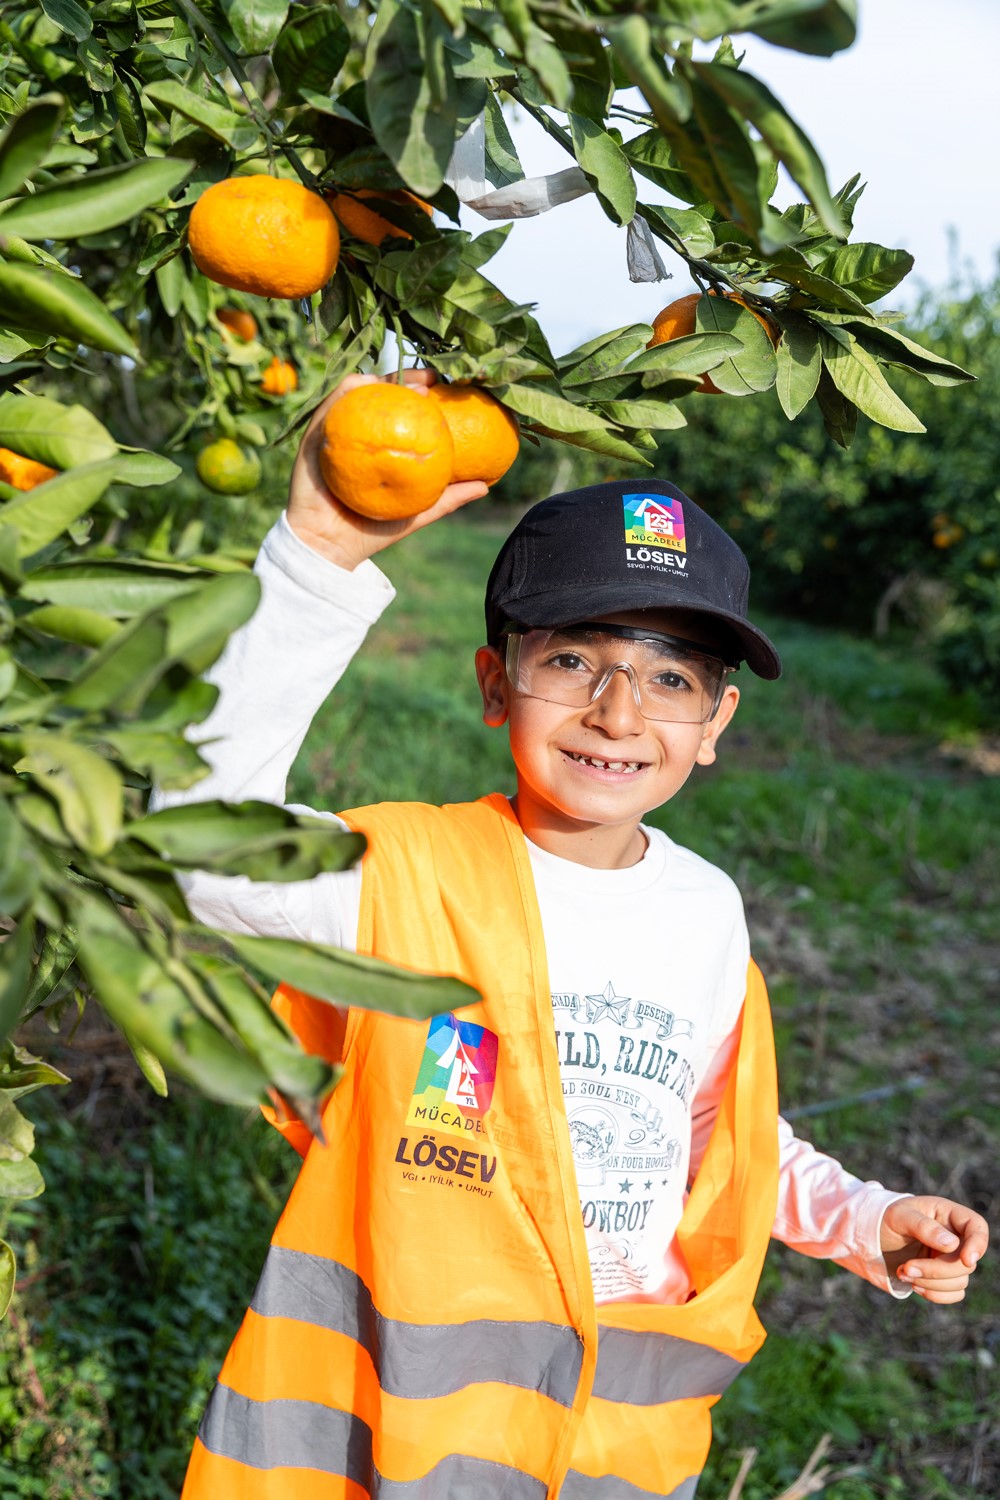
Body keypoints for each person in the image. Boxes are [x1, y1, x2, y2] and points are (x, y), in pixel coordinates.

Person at [169, 371, 988, 1500]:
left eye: (669, 677)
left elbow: (722, 1137)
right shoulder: (404, 877)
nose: (617, 711)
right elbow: (194, 842)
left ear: (715, 724)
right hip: (395, 1416)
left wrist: (865, 1220)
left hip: (612, 1437)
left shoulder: (705, 913)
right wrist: (318, 552)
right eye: (571, 661)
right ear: (496, 684)